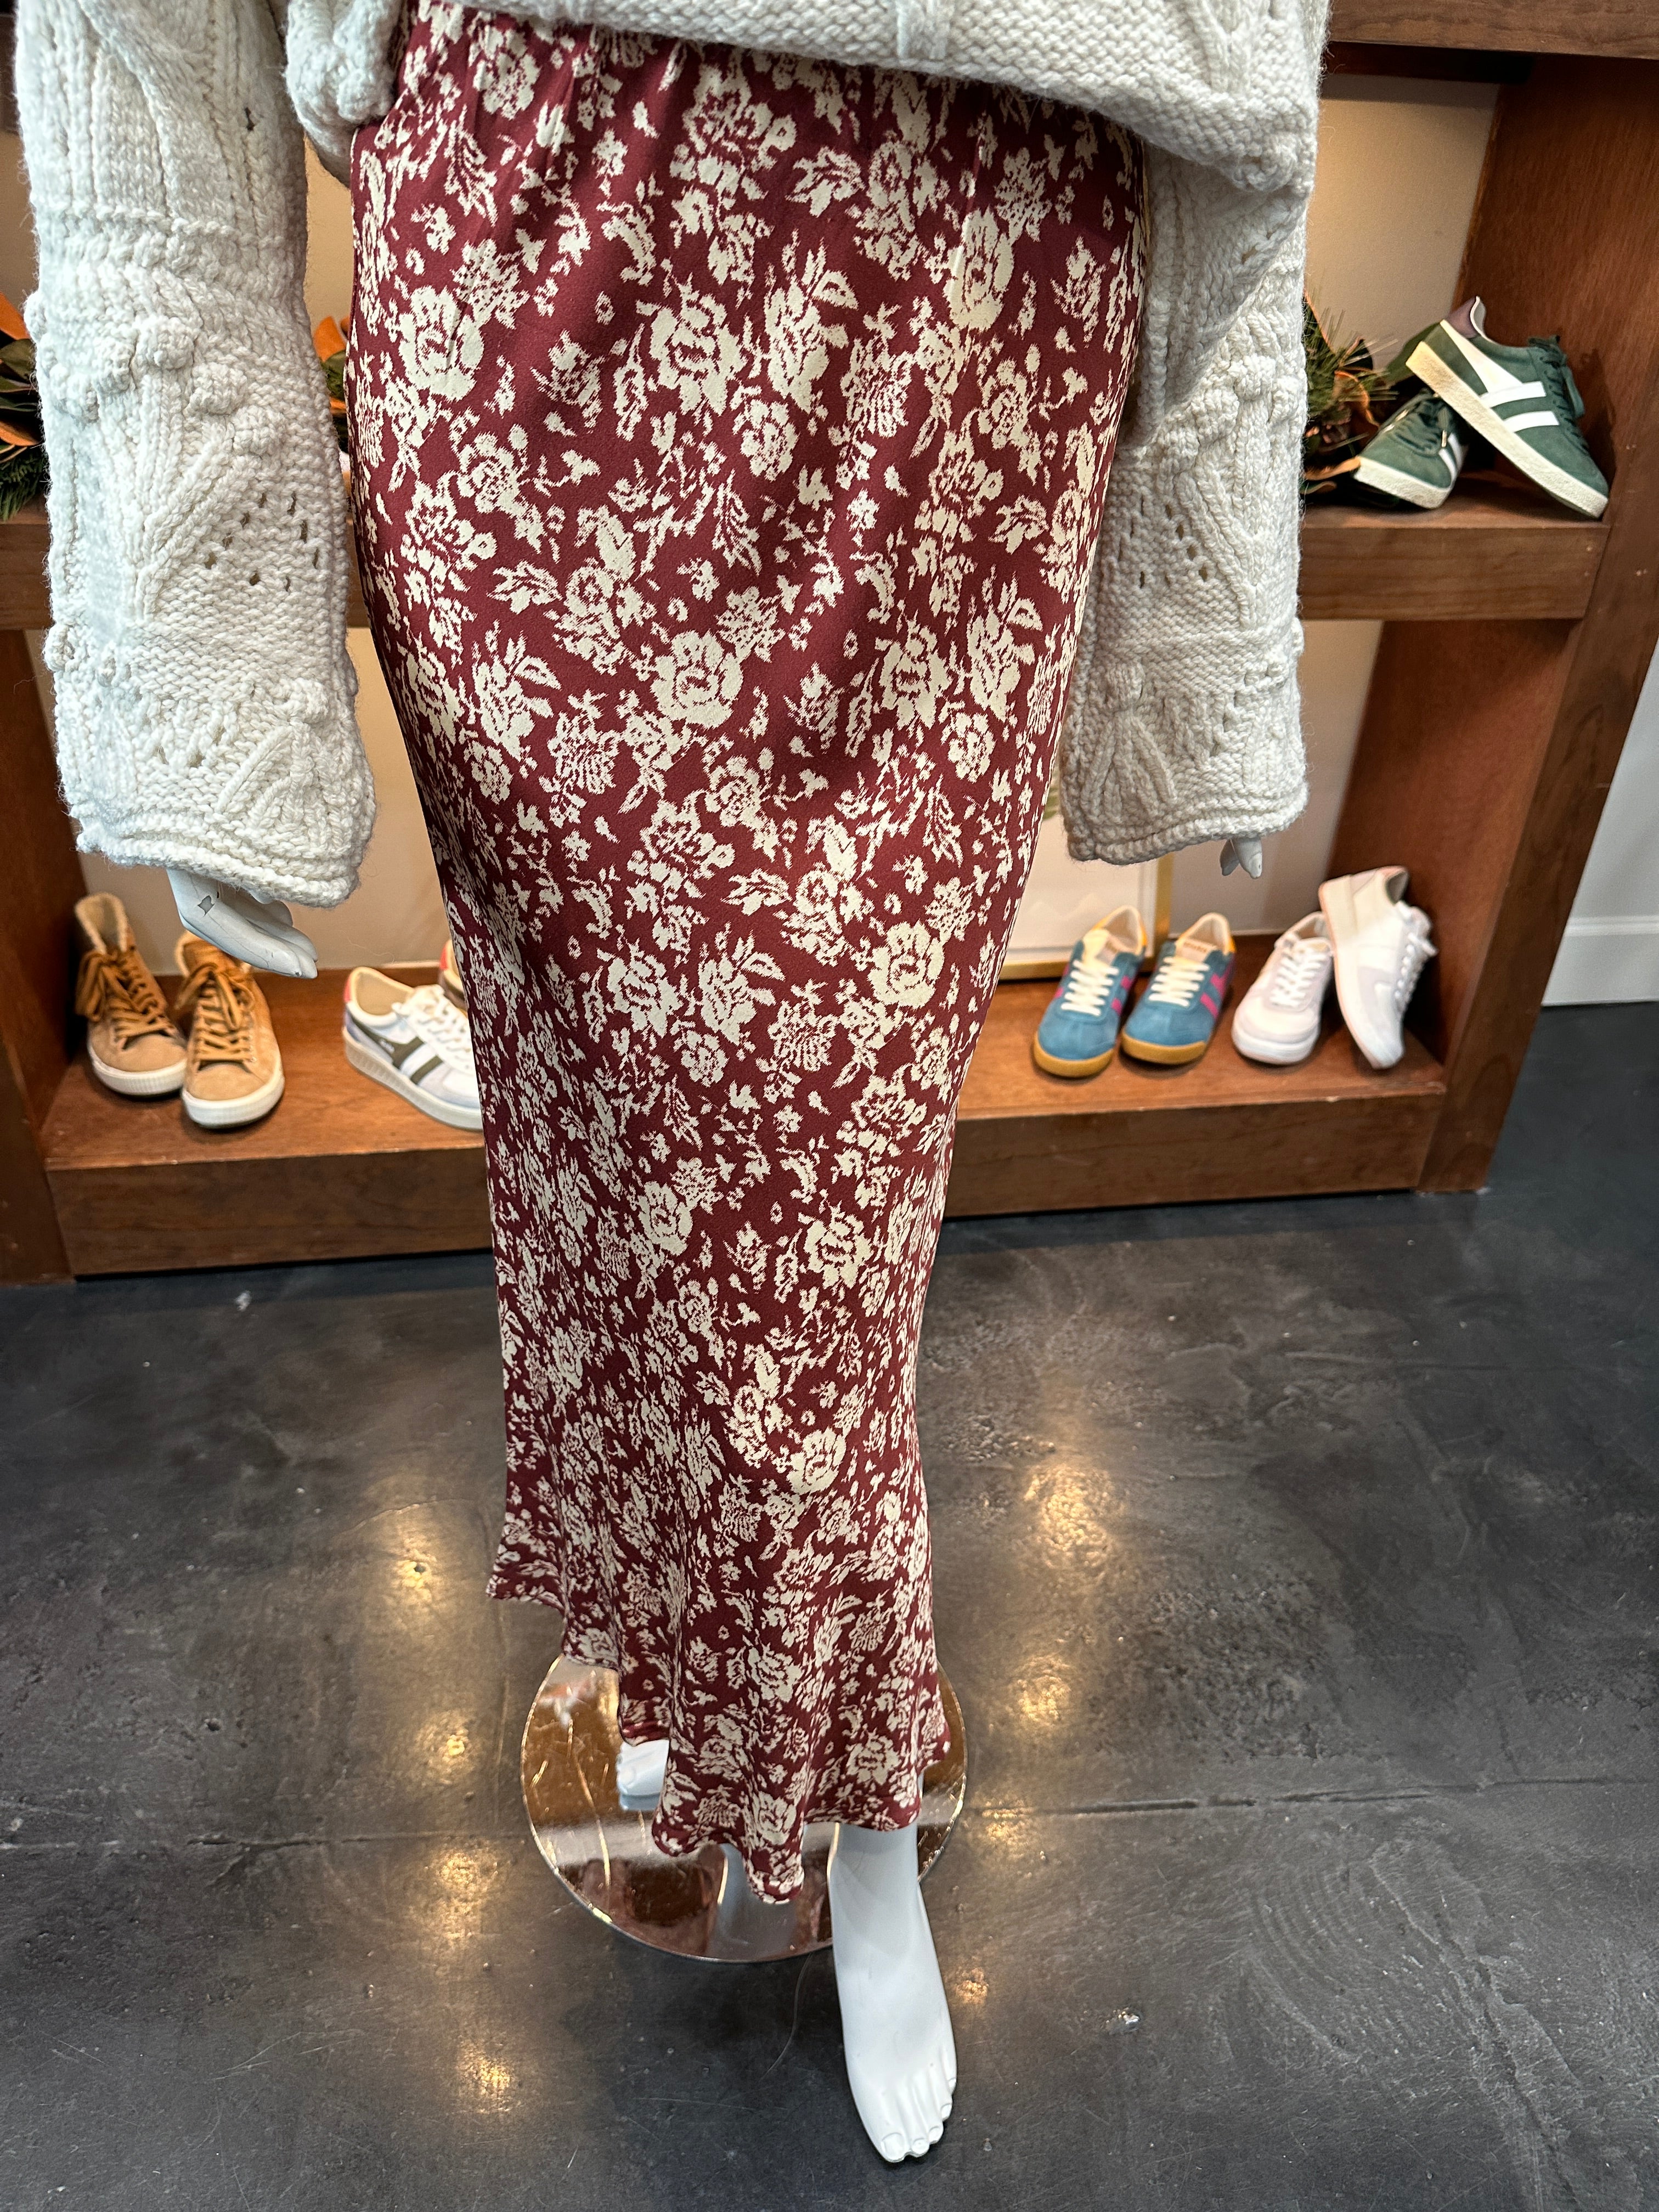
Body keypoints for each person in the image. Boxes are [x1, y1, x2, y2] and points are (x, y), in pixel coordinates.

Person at [15, 0, 1321, 2163]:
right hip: (546, 297)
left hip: (970, 333)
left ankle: (855, 1792)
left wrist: (1214, 576)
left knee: (841, 1201)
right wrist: (193, 622)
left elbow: (1251, 48)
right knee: (605, 1138)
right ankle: (696, 1657)